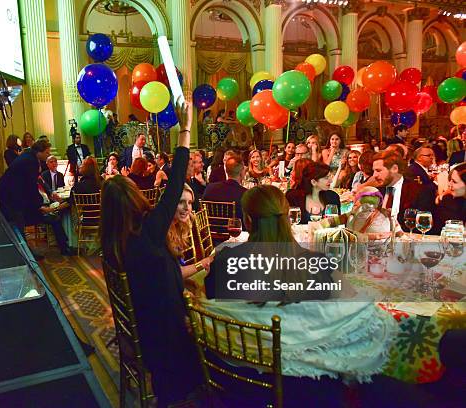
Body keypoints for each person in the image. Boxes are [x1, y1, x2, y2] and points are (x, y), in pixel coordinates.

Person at [202, 186, 398, 398]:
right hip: (306, 389)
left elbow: (218, 310)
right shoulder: (318, 265)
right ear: (287, 218)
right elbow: (354, 311)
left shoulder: (223, 262)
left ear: (248, 220)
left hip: (238, 382)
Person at [100, 100, 204, 406]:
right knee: (210, 345)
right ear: (134, 198)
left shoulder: (114, 242)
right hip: (166, 334)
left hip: (145, 328)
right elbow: (174, 187)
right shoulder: (147, 232)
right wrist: (184, 129)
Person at [0, 140, 71, 257]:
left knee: (21, 226)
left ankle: (30, 254)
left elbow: (35, 181)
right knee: (18, 227)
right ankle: (25, 256)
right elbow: (30, 186)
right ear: (39, 151)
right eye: (46, 152)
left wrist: (49, 193)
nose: (47, 155)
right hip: (11, 198)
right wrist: (40, 206)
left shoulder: (29, 156)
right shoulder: (30, 161)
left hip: (14, 196)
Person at [371, 150, 435, 232]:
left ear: (394, 169)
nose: (374, 175)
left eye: (378, 171)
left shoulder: (420, 191)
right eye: (374, 171)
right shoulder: (377, 191)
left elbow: (423, 227)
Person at [202, 157, 247, 224]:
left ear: (226, 171)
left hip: (211, 231)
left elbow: (203, 212)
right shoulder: (245, 194)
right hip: (237, 232)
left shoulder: (210, 188)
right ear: (242, 172)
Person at [431, 163, 466, 234]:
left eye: (454, 181)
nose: (449, 184)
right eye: (450, 180)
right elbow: (454, 232)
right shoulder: (449, 201)